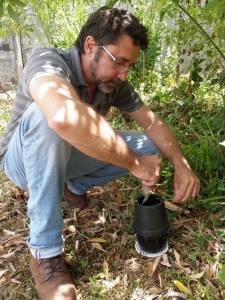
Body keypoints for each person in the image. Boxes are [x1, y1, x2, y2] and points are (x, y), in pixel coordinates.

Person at [0, 6, 200, 300]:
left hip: (63, 155)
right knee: (50, 119)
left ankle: (71, 186)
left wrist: (182, 165)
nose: (123, 74)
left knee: (149, 144)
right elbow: (62, 118)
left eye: (128, 66)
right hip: (21, 162)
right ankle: (45, 253)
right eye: (120, 62)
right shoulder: (49, 60)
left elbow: (153, 123)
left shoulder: (112, 82)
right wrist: (134, 163)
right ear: (91, 45)